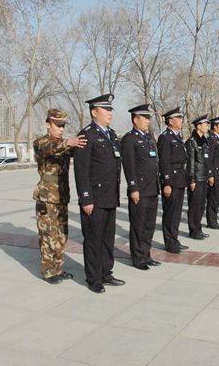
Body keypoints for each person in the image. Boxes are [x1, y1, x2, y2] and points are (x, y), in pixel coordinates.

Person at [74, 94, 125, 293]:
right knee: (93, 239)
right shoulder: (87, 135)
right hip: (94, 198)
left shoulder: (111, 134)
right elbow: (81, 169)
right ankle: (93, 278)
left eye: (111, 109)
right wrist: (85, 197)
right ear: (95, 112)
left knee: (107, 238)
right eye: (107, 109)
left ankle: (106, 272)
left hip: (110, 197)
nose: (110, 112)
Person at [33, 109, 87, 284]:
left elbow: (77, 152)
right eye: (58, 125)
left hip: (62, 197)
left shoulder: (64, 145)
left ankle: (58, 267)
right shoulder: (41, 143)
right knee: (48, 236)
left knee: (61, 235)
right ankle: (49, 271)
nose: (61, 129)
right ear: (48, 124)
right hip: (47, 199)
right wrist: (69, 143)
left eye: (63, 126)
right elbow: (51, 148)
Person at [121, 104, 161, 271]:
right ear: (135, 119)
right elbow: (129, 166)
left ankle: (146, 254)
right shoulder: (129, 139)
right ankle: (138, 258)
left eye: (148, 118)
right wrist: (133, 188)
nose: (148, 121)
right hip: (140, 190)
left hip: (152, 188)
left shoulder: (149, 138)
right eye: (145, 118)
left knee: (149, 225)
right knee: (138, 224)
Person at [157, 106, 190, 254]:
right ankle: (170, 243)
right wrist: (167, 182)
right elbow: (164, 162)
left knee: (177, 213)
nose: (181, 120)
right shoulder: (165, 138)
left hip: (180, 179)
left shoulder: (177, 136)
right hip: (172, 180)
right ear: (170, 121)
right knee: (170, 213)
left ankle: (174, 239)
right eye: (179, 118)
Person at [185, 114, 214, 240]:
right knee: (194, 205)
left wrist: (209, 175)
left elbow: (207, 161)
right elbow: (191, 162)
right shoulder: (192, 142)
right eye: (205, 124)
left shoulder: (205, 141)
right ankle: (193, 230)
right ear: (199, 126)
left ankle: (199, 228)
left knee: (201, 204)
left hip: (204, 178)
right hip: (196, 178)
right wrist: (191, 179)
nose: (207, 126)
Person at [206, 115, 219, 229]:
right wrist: (211, 175)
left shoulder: (217, 139)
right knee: (213, 199)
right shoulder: (211, 139)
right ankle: (211, 221)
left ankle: (214, 220)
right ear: (215, 126)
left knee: (217, 198)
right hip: (215, 175)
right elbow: (209, 159)